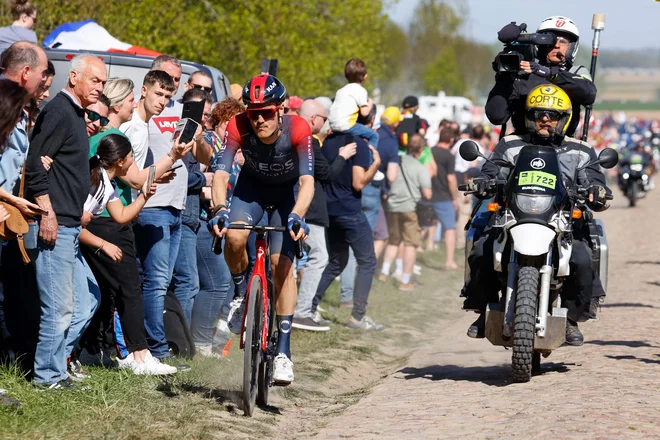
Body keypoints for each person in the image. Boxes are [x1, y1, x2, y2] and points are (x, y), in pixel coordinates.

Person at [462, 84, 611, 346]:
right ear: (528, 116)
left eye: (552, 115)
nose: (545, 119)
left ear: (564, 119)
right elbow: (492, 169)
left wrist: (596, 190)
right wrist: (484, 180)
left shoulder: (581, 150)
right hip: (514, 217)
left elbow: (594, 177)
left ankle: (571, 318)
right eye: (539, 114)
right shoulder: (509, 144)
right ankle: (483, 309)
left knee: (582, 257)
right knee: (481, 250)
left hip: (563, 222)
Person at [209, 74, 315, 385]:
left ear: (281, 109)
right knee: (235, 235)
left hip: (287, 196)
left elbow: (308, 181)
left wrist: (297, 215)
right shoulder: (237, 125)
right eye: (254, 114)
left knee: (280, 266)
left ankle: (283, 351)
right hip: (251, 190)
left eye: (266, 113)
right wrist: (219, 209)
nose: (259, 121)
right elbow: (220, 174)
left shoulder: (299, 128)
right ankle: (242, 295)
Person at [82, 77, 190, 374]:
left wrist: (145, 191)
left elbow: (132, 188)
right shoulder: (119, 135)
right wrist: (172, 157)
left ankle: (102, 351)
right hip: (103, 225)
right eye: (131, 99)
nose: (135, 104)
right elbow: (136, 178)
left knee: (108, 292)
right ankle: (139, 354)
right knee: (130, 287)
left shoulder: (106, 139)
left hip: (107, 218)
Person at [24, 54, 107, 389]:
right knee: (58, 307)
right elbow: (33, 166)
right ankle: (45, 378)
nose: (100, 87)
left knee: (80, 302)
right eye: (95, 80)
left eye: (102, 82)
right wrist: (47, 213)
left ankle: (58, 371)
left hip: (71, 226)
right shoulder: (59, 110)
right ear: (74, 77)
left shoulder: (76, 114)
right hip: (55, 223)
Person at [310, 128, 383, 329]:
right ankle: (357, 317)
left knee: (335, 262)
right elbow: (358, 183)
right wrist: (376, 163)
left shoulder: (327, 140)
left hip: (330, 211)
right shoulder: (358, 143)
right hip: (349, 212)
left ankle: (308, 308)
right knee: (368, 261)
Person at [293, 99, 356, 331]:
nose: (326, 122)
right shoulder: (308, 141)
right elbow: (327, 174)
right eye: (324, 118)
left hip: (295, 209)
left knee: (291, 262)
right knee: (319, 256)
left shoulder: (292, 137)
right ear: (313, 119)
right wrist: (342, 156)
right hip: (309, 212)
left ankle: (291, 311)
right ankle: (301, 312)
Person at [486, 16, 596, 138]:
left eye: (562, 42)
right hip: (522, 146)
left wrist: (548, 73)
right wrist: (504, 76)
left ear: (572, 47)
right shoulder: (524, 73)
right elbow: (496, 116)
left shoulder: (576, 72)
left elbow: (589, 94)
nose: (556, 46)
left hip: (564, 148)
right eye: (551, 41)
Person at [192, 97, 244, 357]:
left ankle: (211, 340)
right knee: (216, 282)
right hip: (206, 222)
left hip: (229, 224)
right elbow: (200, 168)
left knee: (226, 284)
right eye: (230, 121)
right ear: (221, 120)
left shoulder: (235, 148)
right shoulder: (212, 141)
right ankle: (199, 342)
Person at [171, 87, 214, 325]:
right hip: (180, 215)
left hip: (190, 216)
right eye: (201, 113)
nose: (205, 119)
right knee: (187, 281)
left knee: (186, 281)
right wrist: (202, 180)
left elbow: (206, 159)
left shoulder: (196, 135)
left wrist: (198, 135)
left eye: (207, 114)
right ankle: (181, 343)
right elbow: (173, 174)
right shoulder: (175, 134)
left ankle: (181, 339)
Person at [379, 134, 432, 291]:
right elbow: (428, 194)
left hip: (392, 206)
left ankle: (384, 272)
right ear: (421, 149)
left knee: (393, 240)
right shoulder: (420, 167)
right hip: (410, 209)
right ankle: (405, 281)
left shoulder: (397, 161)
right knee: (411, 244)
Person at [328, 58, 379, 149]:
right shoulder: (360, 91)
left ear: (346, 76)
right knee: (374, 136)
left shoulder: (340, 90)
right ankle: (370, 158)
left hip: (332, 125)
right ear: (365, 76)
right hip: (346, 125)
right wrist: (370, 102)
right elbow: (364, 113)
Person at [430, 128, 460, 270]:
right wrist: (454, 197)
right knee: (450, 229)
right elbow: (451, 178)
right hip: (443, 196)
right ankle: (449, 261)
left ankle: (428, 246)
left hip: (428, 193)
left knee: (429, 223)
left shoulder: (430, 151)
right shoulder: (448, 156)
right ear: (451, 140)